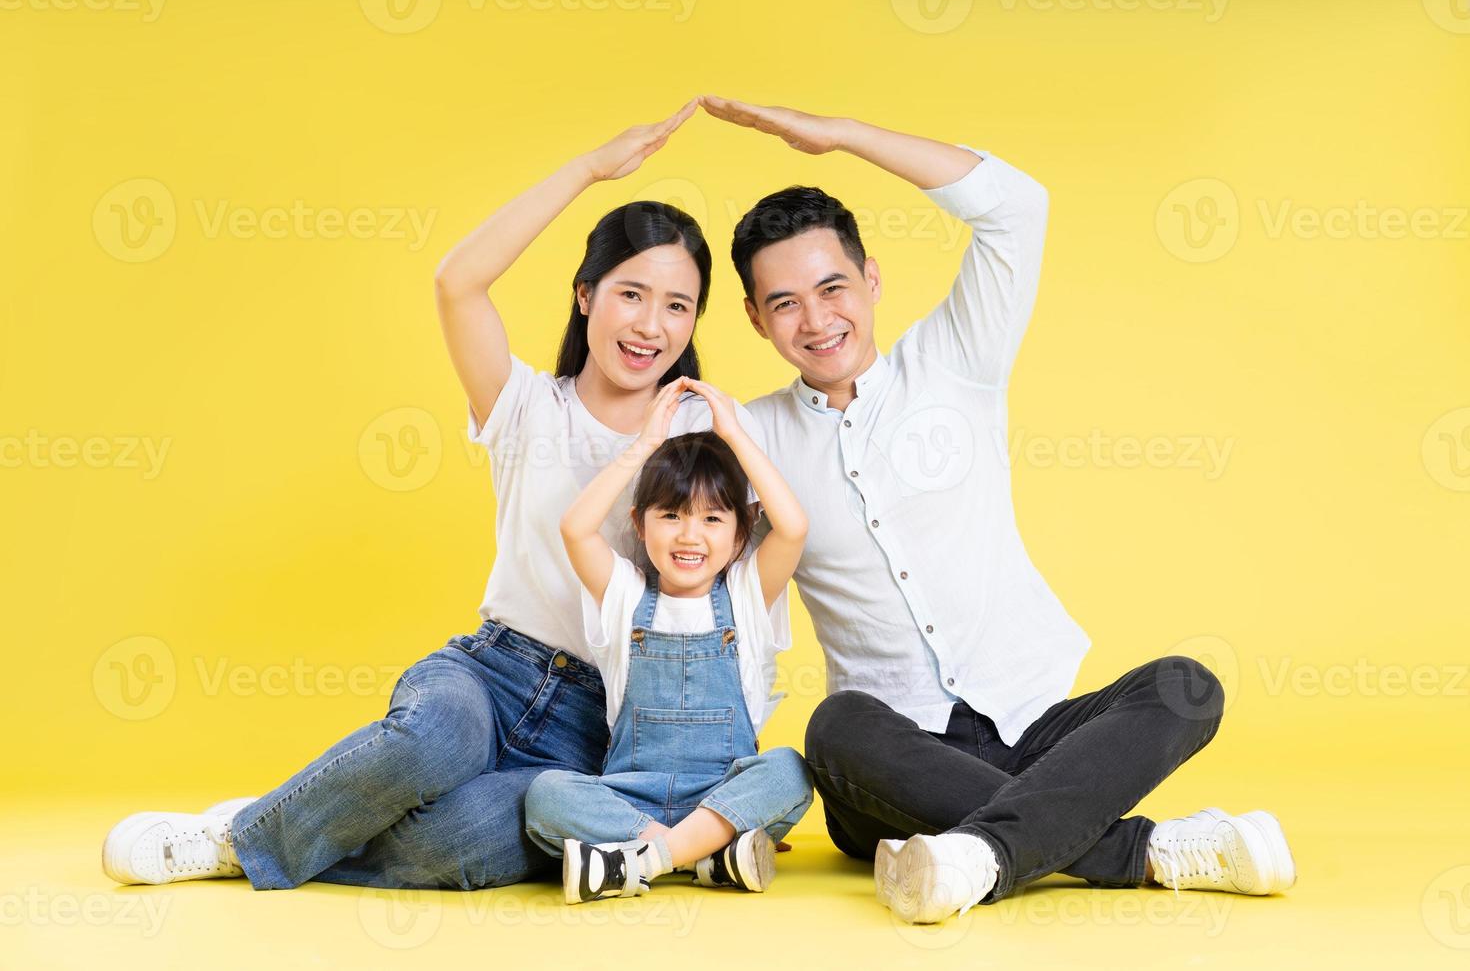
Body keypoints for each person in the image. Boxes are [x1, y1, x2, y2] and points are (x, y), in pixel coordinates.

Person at [98, 101, 778, 892]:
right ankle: (235, 840)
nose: (650, 325)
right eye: (630, 294)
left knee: (459, 846)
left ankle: (295, 813)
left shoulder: (707, 428)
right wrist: (590, 168)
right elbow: (457, 280)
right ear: (586, 295)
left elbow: (757, 576)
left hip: (605, 729)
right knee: (434, 744)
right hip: (493, 670)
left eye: (677, 305)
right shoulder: (526, 404)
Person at [702, 95, 1297, 923]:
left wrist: (842, 137)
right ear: (755, 319)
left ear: (872, 280)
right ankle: (1147, 848)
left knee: (1186, 687)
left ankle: (975, 854)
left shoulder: (955, 361)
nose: (817, 320)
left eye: (832, 287)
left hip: (1037, 721)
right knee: (834, 726)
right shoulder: (748, 436)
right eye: (785, 303)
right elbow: (638, 467)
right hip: (891, 761)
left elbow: (1018, 206)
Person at [523, 377, 813, 904]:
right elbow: (575, 528)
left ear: (740, 532)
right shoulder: (624, 596)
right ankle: (705, 856)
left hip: (724, 797)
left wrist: (732, 433)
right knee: (545, 796)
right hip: (630, 800)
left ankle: (648, 861)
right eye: (671, 515)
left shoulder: (747, 596)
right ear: (640, 523)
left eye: (711, 518)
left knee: (790, 769)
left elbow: (791, 527)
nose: (689, 535)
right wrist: (645, 443)